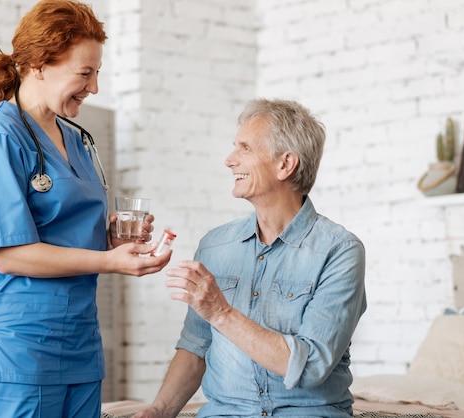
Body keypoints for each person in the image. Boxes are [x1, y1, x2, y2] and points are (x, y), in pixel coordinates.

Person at [0, 1, 172, 417]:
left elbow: (66, 229)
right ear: (38, 65)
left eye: (97, 73)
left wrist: (113, 238)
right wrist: (110, 261)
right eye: (84, 73)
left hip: (78, 346)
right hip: (15, 348)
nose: (94, 88)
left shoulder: (76, 139)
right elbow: (9, 253)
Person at [134, 99, 367, 418]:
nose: (230, 160)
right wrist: (159, 410)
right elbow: (196, 345)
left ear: (285, 164)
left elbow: (311, 365)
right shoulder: (215, 246)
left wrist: (221, 312)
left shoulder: (340, 250)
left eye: (245, 148)